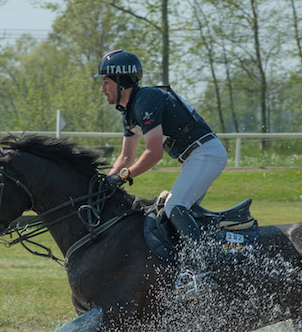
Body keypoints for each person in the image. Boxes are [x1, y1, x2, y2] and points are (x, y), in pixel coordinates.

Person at [95, 49, 227, 299]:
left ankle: (203, 272)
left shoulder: (147, 99)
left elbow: (153, 153)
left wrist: (122, 177)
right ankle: (185, 269)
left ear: (122, 82)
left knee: (175, 207)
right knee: (170, 211)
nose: (102, 89)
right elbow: (125, 158)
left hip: (206, 154)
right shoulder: (130, 110)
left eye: (106, 82)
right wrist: (104, 184)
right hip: (194, 157)